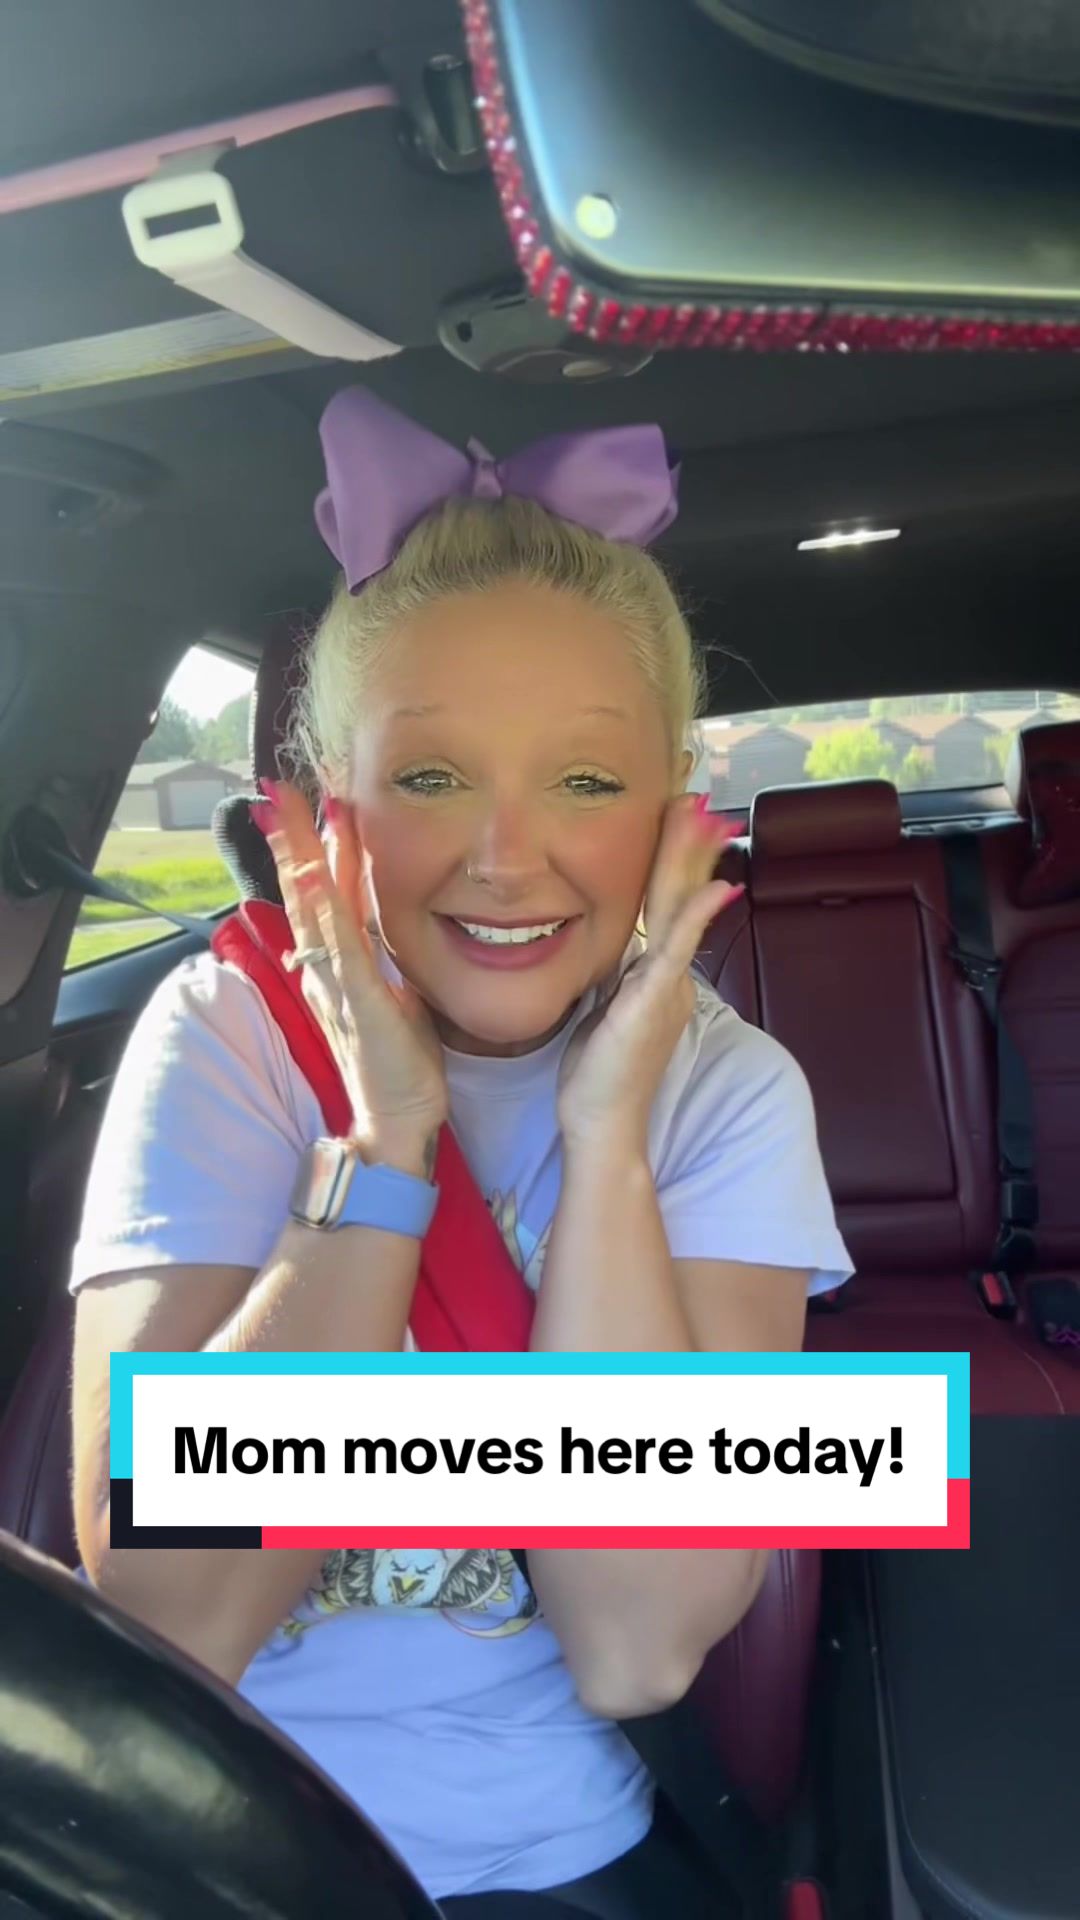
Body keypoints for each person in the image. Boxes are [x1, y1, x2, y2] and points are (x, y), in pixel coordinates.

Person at [69, 389, 852, 1915]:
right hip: (201, 1842)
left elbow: (636, 1645)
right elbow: (174, 1615)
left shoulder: (728, 1094)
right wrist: (384, 1145)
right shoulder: (226, 1038)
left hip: (557, 1865)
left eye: (585, 780)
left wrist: (606, 1141)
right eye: (431, 778)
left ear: (670, 813)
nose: (506, 856)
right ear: (334, 807)